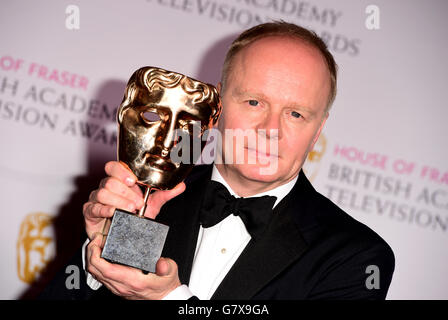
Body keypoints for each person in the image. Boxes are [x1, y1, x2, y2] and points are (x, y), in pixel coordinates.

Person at [41, 21, 395, 300]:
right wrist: (103, 256)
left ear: (317, 130)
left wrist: (169, 298)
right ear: (217, 106)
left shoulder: (356, 257)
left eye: (296, 114)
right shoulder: (145, 206)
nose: (270, 129)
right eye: (254, 102)